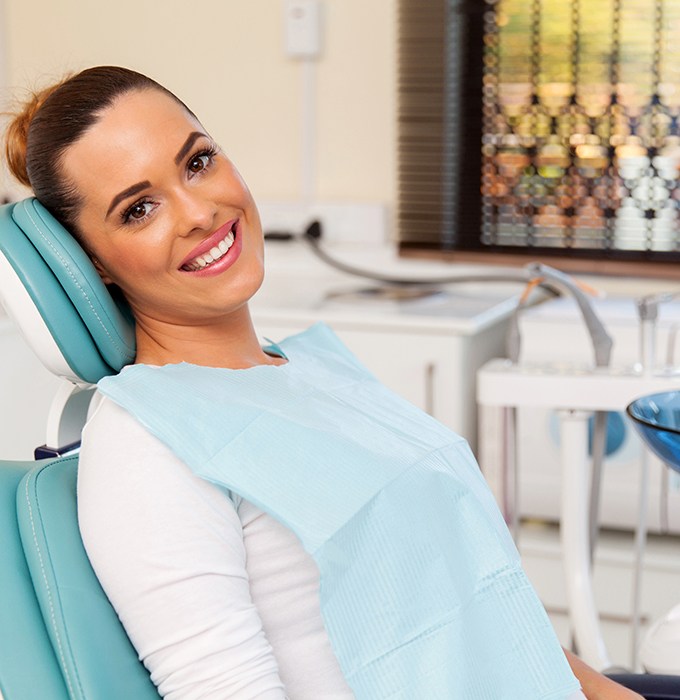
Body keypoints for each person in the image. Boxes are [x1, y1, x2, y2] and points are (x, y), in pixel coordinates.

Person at [3, 66, 648, 699]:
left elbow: (490, 609)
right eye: (139, 209)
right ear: (91, 265)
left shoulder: (312, 369)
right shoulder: (146, 443)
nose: (199, 212)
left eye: (197, 162)